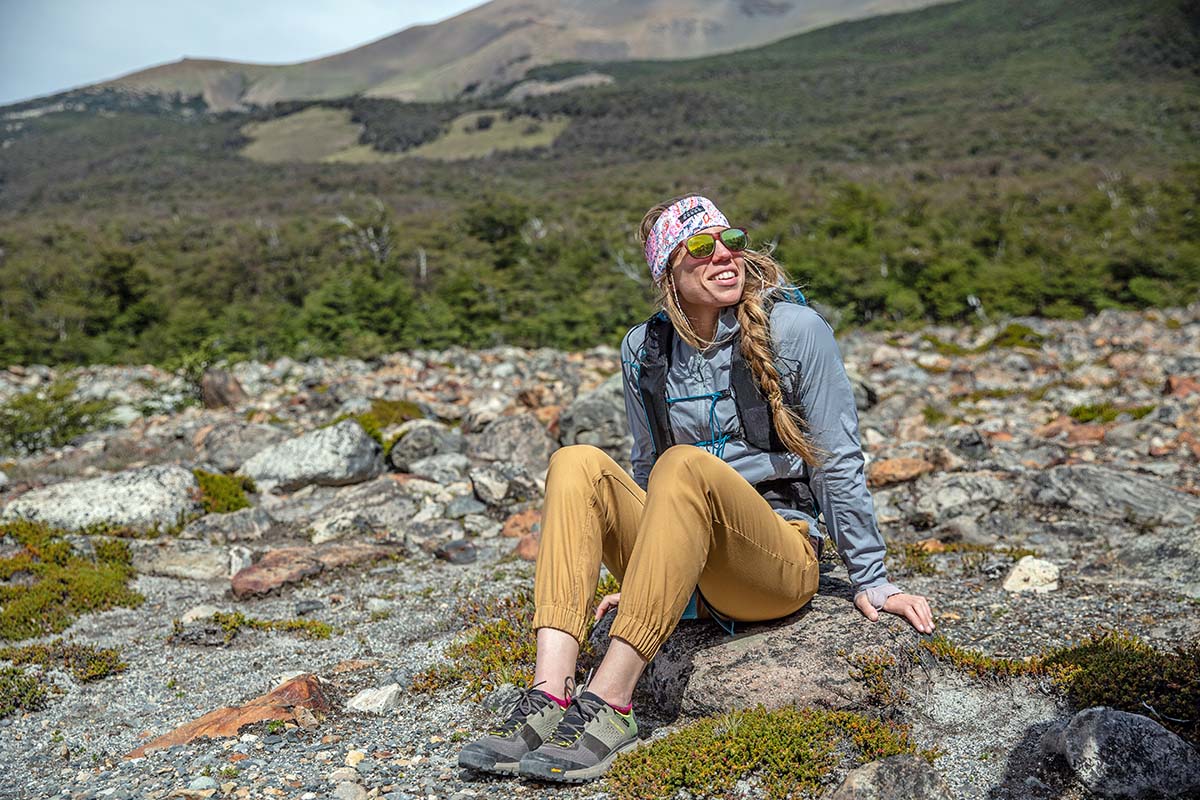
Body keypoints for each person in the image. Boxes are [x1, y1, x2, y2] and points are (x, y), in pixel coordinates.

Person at [458, 194, 934, 784]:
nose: (725, 256)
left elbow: (836, 458)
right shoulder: (644, 349)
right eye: (702, 249)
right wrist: (641, 580)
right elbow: (643, 463)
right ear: (669, 275)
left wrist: (871, 577)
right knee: (575, 461)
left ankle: (610, 703)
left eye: (730, 240)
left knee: (682, 465)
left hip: (772, 558)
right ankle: (547, 697)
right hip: (689, 563)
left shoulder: (794, 329)